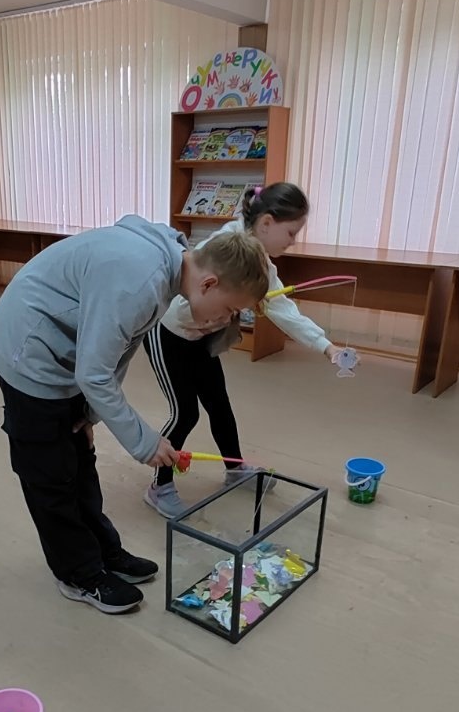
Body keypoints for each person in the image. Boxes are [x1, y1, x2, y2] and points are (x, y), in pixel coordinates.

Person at [0, 217, 271, 614]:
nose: (225, 321)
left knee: (80, 461)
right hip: (29, 351)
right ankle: (78, 573)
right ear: (209, 284)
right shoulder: (137, 280)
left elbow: (121, 348)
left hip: (69, 347)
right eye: (229, 310)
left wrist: (88, 413)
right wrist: (144, 441)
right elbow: (94, 372)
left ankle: (104, 553)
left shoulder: (168, 272)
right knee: (50, 472)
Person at [143, 182, 345, 518]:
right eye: (291, 232)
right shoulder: (224, 246)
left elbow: (281, 308)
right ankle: (159, 485)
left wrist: (327, 347)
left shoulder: (261, 263)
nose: (292, 241)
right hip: (168, 332)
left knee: (219, 403)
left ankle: (235, 468)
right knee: (185, 412)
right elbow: (183, 290)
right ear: (266, 223)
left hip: (201, 337)